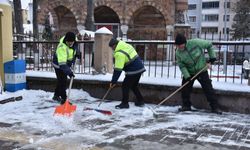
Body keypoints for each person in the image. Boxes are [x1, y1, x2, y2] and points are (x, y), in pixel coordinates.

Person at [175, 33, 221, 114]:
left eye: (181, 45)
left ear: (185, 42)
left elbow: (209, 45)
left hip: (201, 69)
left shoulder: (195, 42)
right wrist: (187, 76)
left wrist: (212, 57)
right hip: (189, 72)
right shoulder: (178, 53)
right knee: (185, 88)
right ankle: (186, 106)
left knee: (208, 88)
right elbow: (182, 66)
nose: (179, 47)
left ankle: (215, 107)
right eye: (178, 46)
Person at [109, 38, 146, 109]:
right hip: (140, 68)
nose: (112, 49)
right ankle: (140, 101)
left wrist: (113, 82)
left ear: (115, 45)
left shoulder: (119, 53)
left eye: (112, 47)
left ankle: (125, 103)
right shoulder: (126, 45)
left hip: (133, 70)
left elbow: (117, 70)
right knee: (133, 86)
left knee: (125, 86)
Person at [52, 32, 77, 104]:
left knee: (61, 81)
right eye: (68, 42)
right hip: (59, 65)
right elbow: (62, 64)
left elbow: (75, 48)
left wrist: (77, 53)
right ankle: (64, 99)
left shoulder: (74, 43)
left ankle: (56, 95)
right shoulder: (62, 47)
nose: (70, 43)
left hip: (66, 65)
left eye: (71, 42)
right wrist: (69, 73)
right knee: (63, 82)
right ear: (66, 40)